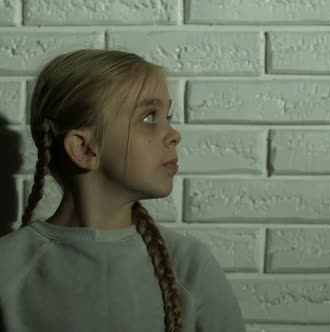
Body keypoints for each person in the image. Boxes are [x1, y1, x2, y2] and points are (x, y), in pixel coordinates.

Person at [0, 49, 246, 332]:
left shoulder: (191, 265)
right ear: (83, 148)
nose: (174, 134)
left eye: (168, 115)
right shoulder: (7, 268)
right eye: (149, 118)